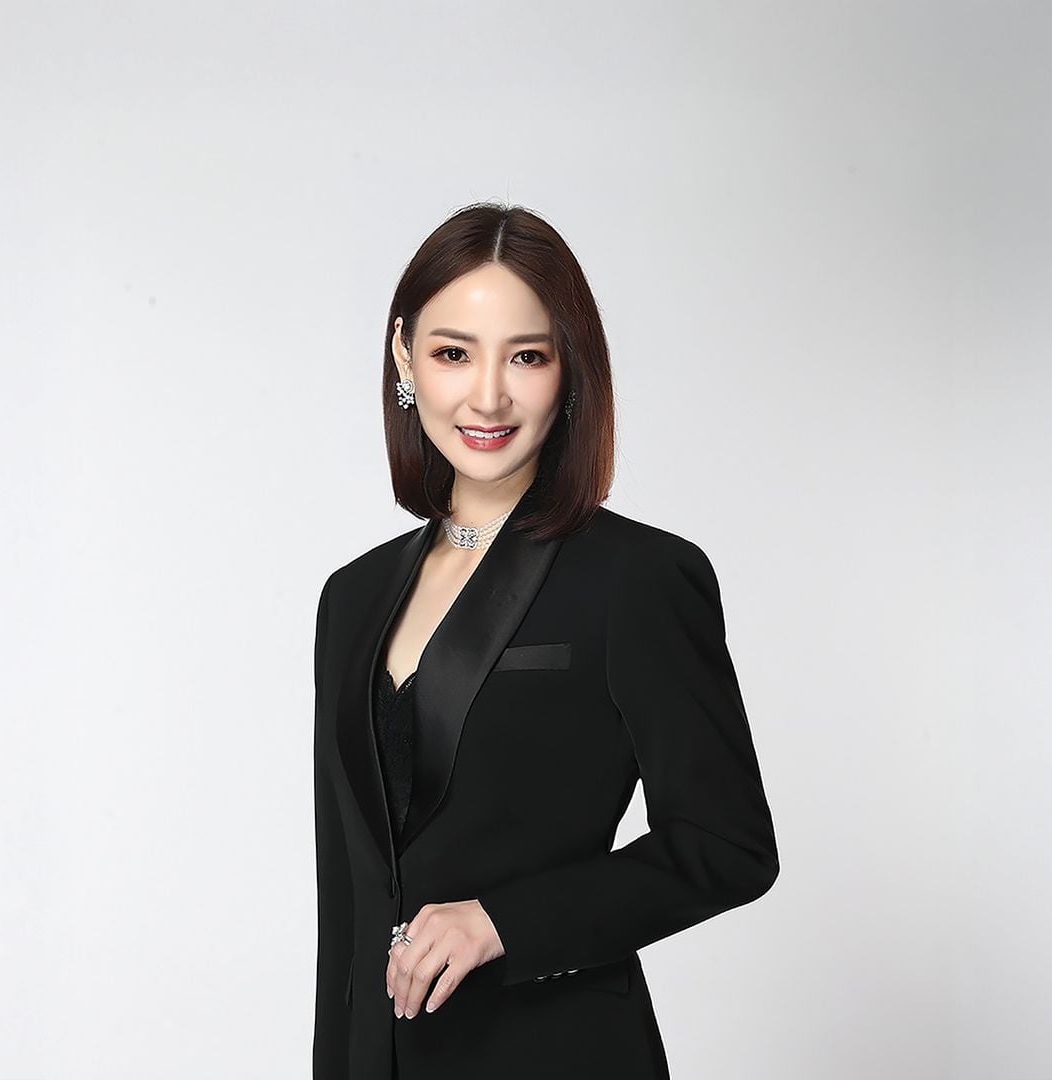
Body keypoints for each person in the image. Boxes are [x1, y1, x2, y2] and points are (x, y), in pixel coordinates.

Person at [311, 202, 779, 1079]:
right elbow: (347, 903)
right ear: (404, 355)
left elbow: (729, 847)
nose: (488, 396)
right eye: (454, 353)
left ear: (570, 369)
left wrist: (503, 922)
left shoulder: (640, 578)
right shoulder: (352, 597)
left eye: (526, 356)